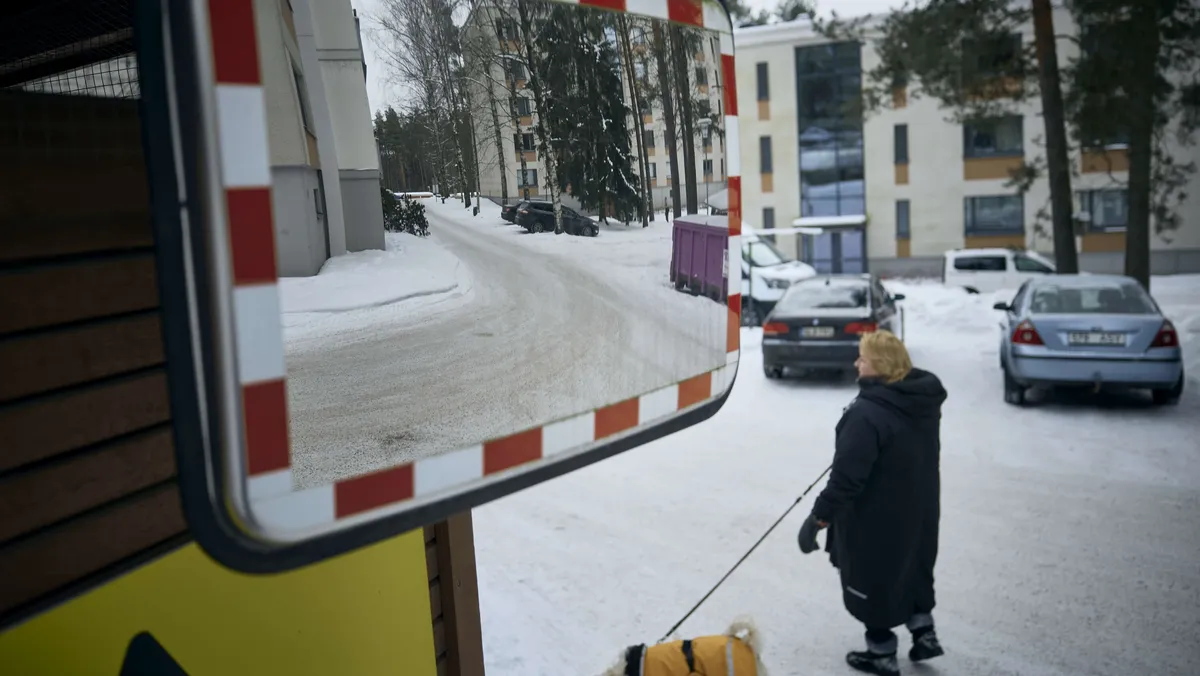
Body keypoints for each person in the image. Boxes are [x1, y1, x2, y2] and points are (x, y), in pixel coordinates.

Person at [797, 330, 948, 676]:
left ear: (879, 366)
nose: (856, 363)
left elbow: (846, 480)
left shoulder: (868, 413)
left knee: (873, 579)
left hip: (875, 518)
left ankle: (881, 653)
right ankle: (923, 631)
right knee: (912, 565)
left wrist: (818, 518)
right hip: (919, 508)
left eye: (862, 358)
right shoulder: (917, 401)